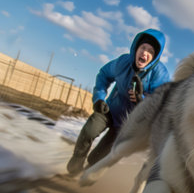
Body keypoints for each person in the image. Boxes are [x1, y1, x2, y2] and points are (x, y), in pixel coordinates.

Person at [66, 29, 170, 175]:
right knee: (90, 130)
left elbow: (160, 103)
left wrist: (142, 100)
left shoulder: (160, 74)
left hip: (127, 123)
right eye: (143, 48)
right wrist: (99, 98)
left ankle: (88, 172)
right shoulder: (123, 62)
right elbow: (104, 75)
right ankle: (75, 165)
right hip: (109, 110)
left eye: (150, 51)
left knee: (99, 157)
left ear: (155, 56)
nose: (145, 53)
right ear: (136, 48)